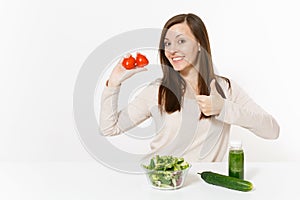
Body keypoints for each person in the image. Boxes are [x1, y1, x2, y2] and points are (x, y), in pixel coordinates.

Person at [100, 13, 280, 162]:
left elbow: (272, 131)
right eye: (167, 44)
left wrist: (224, 108)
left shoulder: (225, 88)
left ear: (200, 44)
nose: (171, 50)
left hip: (204, 186)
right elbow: (109, 128)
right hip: (161, 181)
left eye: (181, 41)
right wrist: (114, 83)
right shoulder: (157, 91)